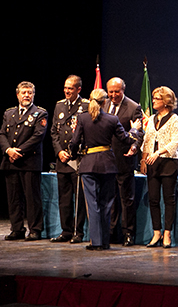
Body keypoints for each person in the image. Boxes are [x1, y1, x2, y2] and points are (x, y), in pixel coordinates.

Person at [71, 88, 139, 251]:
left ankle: (97, 241)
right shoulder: (112, 119)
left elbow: (74, 142)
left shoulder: (83, 118)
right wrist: (135, 129)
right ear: (104, 102)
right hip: (108, 165)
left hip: (89, 165)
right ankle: (105, 242)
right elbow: (126, 139)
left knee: (93, 203)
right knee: (106, 204)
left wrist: (74, 155)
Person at [0, 81, 48, 241]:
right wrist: (8, 150)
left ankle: (35, 229)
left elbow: (38, 136)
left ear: (33, 94)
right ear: (17, 94)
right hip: (11, 161)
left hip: (29, 161)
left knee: (32, 198)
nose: (27, 95)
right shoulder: (9, 113)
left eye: (30, 92)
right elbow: (2, 134)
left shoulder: (40, 113)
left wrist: (18, 151)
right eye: (24, 92)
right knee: (14, 198)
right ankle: (17, 228)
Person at [104, 77, 144, 247]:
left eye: (117, 91)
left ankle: (128, 233)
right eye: (111, 92)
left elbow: (139, 133)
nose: (113, 95)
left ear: (123, 89)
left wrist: (134, 147)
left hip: (124, 159)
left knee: (127, 199)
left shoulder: (134, 107)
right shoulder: (103, 105)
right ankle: (112, 232)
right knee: (109, 199)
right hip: (106, 161)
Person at [141, 86, 178, 248]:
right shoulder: (151, 119)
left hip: (168, 162)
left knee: (168, 199)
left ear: (166, 101)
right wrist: (144, 160)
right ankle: (156, 232)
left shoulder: (174, 119)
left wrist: (158, 152)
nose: (154, 101)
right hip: (152, 163)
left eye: (157, 98)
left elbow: (175, 142)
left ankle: (167, 234)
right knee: (153, 198)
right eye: (154, 98)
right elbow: (147, 141)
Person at [50, 75, 88, 244]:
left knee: (78, 199)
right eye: (65, 87)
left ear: (78, 89)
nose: (67, 91)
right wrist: (59, 152)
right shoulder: (59, 105)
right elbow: (54, 132)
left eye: (70, 88)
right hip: (62, 160)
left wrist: (72, 152)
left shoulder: (85, 106)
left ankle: (78, 232)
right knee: (64, 199)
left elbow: (87, 133)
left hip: (77, 160)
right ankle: (65, 231)